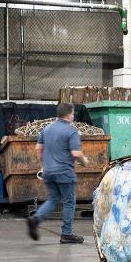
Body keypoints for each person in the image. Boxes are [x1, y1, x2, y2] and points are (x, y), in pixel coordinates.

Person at [27, 103, 89, 244]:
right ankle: (66, 234)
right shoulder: (71, 131)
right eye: (73, 114)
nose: (73, 116)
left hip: (48, 172)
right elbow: (76, 153)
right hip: (65, 173)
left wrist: (44, 164)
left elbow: (38, 149)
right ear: (69, 115)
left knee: (54, 199)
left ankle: (36, 219)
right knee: (68, 202)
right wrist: (84, 162)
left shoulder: (46, 129)